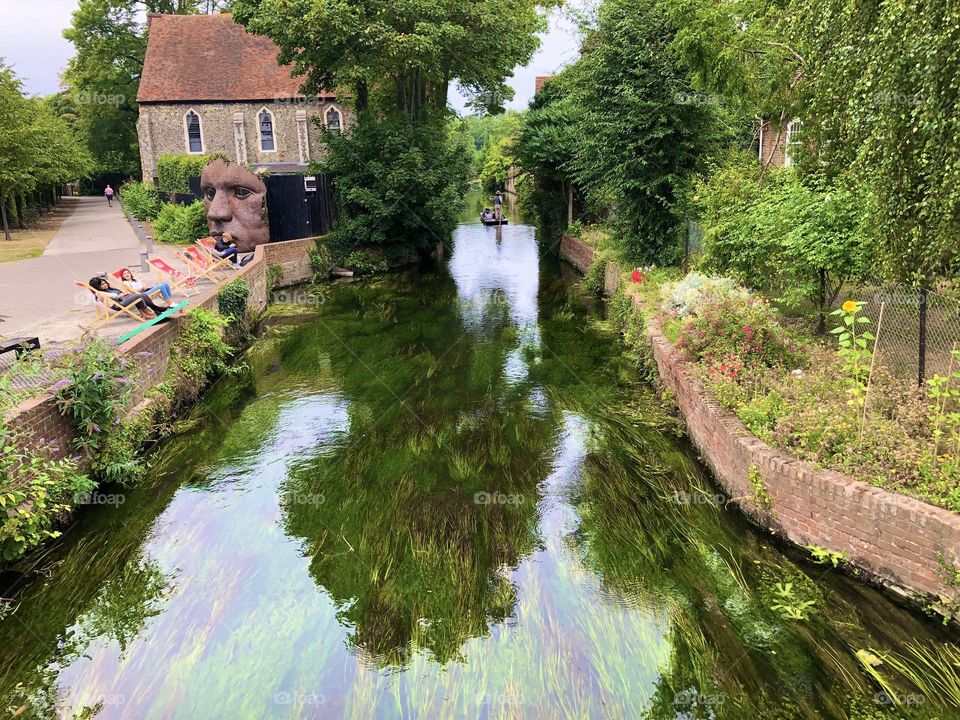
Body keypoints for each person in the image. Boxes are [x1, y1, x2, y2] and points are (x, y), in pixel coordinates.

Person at [89, 276, 170, 320]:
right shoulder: (98, 293)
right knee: (138, 295)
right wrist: (118, 295)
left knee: (142, 295)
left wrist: (121, 294)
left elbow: (113, 291)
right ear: (97, 286)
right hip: (118, 305)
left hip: (122, 300)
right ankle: (154, 310)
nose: (103, 285)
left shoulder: (107, 289)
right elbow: (113, 296)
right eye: (100, 284)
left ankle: (153, 311)